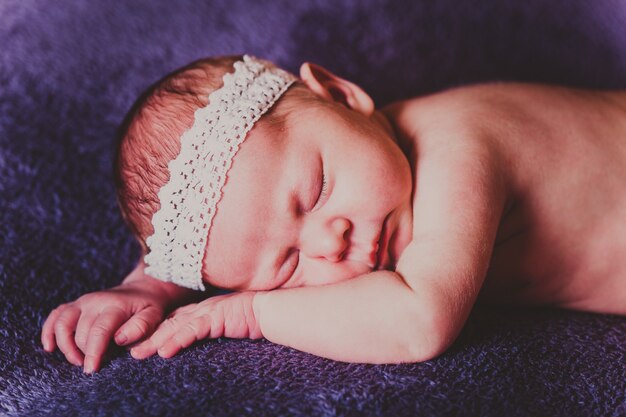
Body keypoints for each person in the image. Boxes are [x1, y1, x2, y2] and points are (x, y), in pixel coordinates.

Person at [41, 55, 626, 374]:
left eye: (318, 188)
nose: (330, 242)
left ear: (343, 96)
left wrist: (248, 311)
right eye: (287, 264)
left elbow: (419, 321)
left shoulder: (462, 147)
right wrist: (147, 286)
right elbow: (232, 233)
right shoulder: (338, 181)